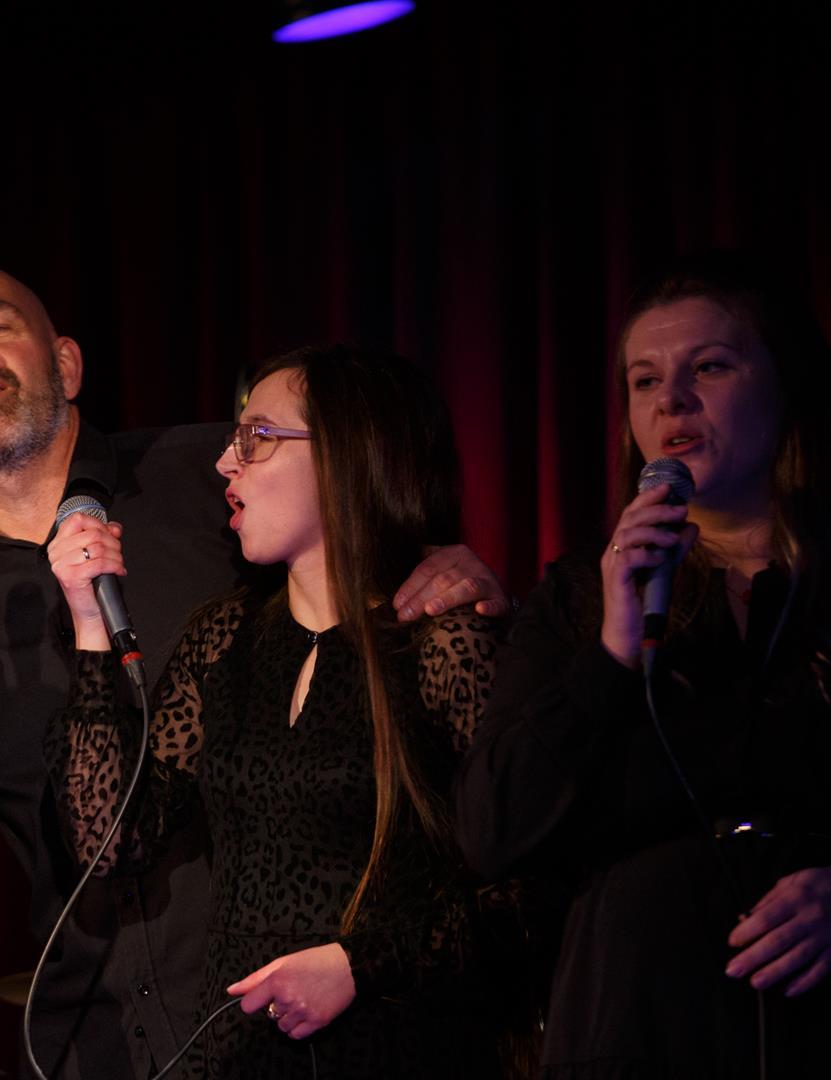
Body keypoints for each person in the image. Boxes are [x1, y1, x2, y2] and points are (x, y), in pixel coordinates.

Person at [0, 262, 514, 1077]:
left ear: (67, 365)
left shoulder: (208, 476)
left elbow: (360, 528)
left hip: (304, 1018)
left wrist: (445, 565)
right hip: (92, 1037)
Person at [454, 252, 831, 1077]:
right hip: (637, 1028)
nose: (672, 400)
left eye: (710, 367)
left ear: (787, 386)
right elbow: (493, 830)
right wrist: (613, 652)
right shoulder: (581, 597)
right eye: (644, 381)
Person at [46, 344, 531, 1077]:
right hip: (239, 1058)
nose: (225, 463)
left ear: (347, 456)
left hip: (399, 1050)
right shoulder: (227, 638)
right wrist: (89, 622)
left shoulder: (444, 643)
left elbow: (529, 893)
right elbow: (112, 841)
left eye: (257, 437)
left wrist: (360, 964)